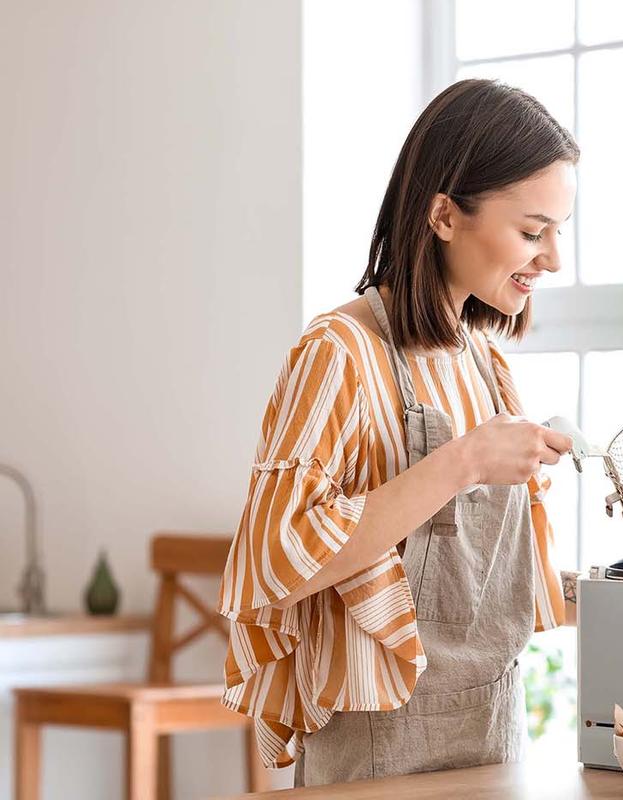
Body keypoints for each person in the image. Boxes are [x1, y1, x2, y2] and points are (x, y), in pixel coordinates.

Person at [216, 78, 579, 787]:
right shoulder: (338, 352)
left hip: (493, 737)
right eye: (533, 232)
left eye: (559, 233)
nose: (553, 259)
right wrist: (463, 462)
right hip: (377, 754)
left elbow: (485, 591)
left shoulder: (487, 365)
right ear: (444, 214)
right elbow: (274, 559)